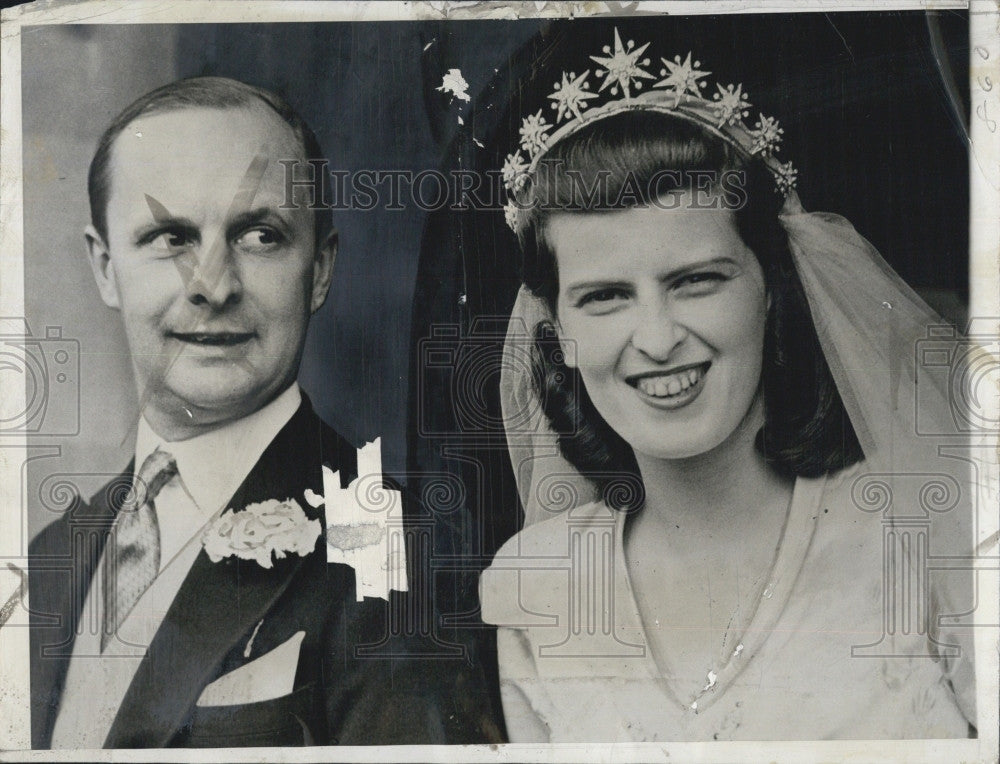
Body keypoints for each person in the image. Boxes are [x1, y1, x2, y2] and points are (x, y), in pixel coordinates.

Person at [480, 31, 979, 741]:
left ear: (771, 289)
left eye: (696, 281)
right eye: (604, 297)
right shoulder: (534, 586)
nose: (656, 339)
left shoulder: (923, 534)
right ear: (558, 331)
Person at [28, 76, 496, 748]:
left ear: (322, 270)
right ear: (105, 268)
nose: (212, 285)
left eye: (260, 235)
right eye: (169, 237)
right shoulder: (49, 558)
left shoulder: (395, 546)